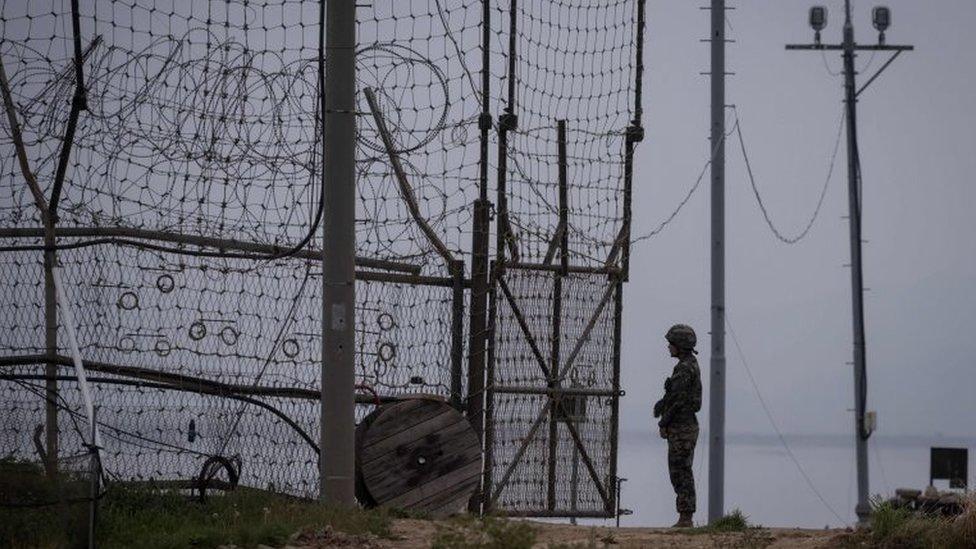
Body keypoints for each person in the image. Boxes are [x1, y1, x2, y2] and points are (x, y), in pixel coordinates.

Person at [653, 324, 703, 528]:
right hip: (683, 425)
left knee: (680, 471)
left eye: (671, 343)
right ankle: (685, 515)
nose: (668, 347)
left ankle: (686, 516)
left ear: (680, 345)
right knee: (680, 470)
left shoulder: (684, 368)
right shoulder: (687, 365)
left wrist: (664, 422)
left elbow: (679, 399)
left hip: (682, 427)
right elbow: (674, 396)